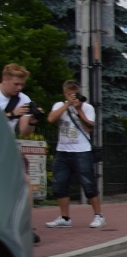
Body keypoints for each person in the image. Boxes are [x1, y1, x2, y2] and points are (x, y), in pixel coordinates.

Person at [45, 80, 103, 228]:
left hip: (81, 152)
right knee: (59, 185)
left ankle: (98, 215)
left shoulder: (87, 107)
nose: (72, 95)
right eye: (69, 93)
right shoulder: (59, 106)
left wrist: (79, 110)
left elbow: (89, 128)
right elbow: (51, 119)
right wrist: (67, 105)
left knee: (88, 184)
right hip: (63, 152)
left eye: (74, 93)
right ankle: (65, 217)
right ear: (65, 93)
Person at [3, 64, 39, 243]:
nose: (19, 88)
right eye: (16, 84)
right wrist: (11, 114)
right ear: (5, 80)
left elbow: (25, 132)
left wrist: (32, 121)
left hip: (7, 146)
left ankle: (25, 226)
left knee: (24, 181)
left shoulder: (22, 99)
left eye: (22, 85)